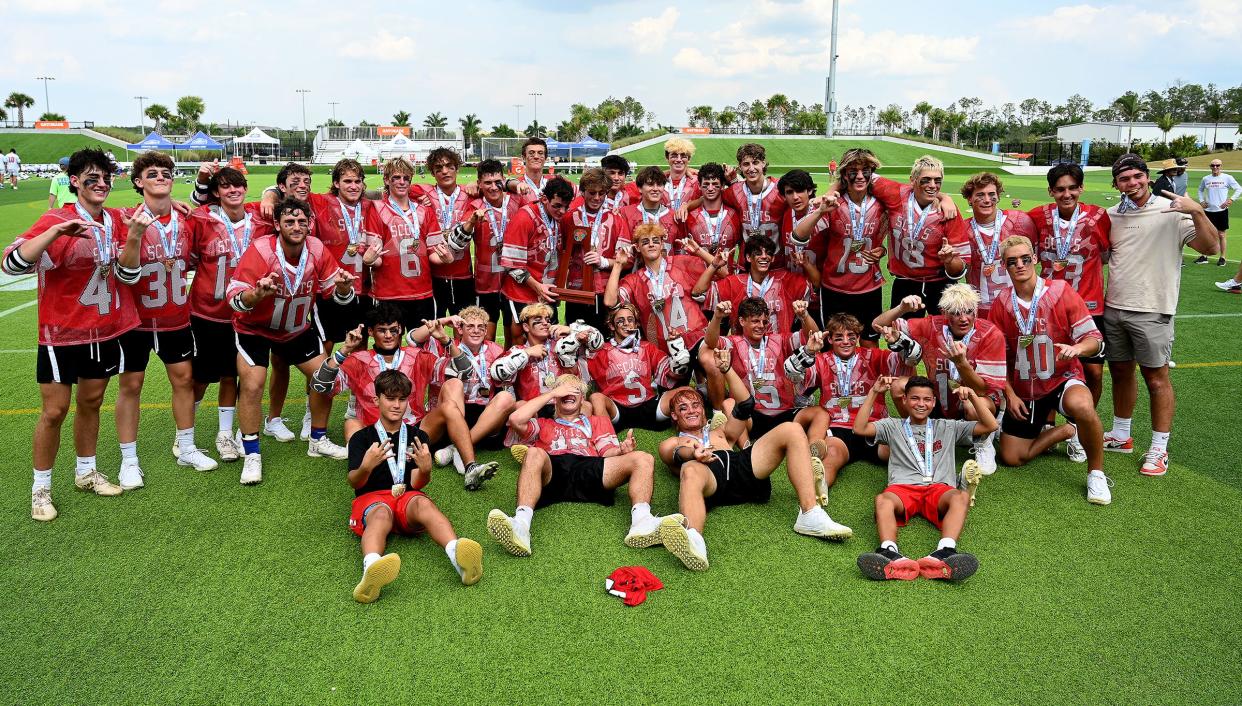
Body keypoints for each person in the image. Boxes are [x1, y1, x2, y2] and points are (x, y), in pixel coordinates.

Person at [3, 149, 142, 520]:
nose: (101, 184)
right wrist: (53, 232)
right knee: (54, 410)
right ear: (75, 181)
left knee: (92, 403)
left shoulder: (116, 219)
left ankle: (85, 471)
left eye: (106, 178)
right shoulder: (56, 218)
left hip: (102, 331)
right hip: (60, 333)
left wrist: (141, 231)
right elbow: (13, 263)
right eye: (92, 178)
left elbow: (129, 275)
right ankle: (41, 488)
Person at [658, 357, 853, 572]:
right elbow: (675, 454)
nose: (692, 410)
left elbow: (745, 404)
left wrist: (728, 369)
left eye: (696, 405)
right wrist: (693, 453)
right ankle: (694, 540)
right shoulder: (673, 442)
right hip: (709, 478)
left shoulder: (721, 432)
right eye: (683, 408)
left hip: (741, 469)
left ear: (703, 410)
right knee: (690, 468)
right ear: (674, 415)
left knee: (792, 429)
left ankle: (810, 514)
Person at [226, 197, 357, 485]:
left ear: (309, 223)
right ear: (277, 225)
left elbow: (335, 295)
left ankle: (318, 439)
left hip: (296, 328)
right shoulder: (261, 251)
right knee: (252, 383)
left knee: (327, 378)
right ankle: (251, 454)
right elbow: (234, 299)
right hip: (255, 328)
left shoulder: (317, 249)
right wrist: (255, 295)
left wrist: (345, 289)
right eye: (289, 221)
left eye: (301, 221)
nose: (296, 226)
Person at [1102, 154, 1218, 476]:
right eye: (1124, 179)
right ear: (1116, 184)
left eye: (1137, 176)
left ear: (1147, 177)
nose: (1132, 183)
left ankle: (1158, 448)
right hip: (1114, 307)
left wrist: (1196, 210)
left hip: (1153, 310)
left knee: (1156, 379)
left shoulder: (1174, 211)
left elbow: (1210, 249)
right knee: (1121, 373)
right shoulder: (1112, 215)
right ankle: (1122, 435)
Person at [114, 151, 219, 489]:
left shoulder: (185, 218)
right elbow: (123, 271)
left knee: (184, 380)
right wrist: (134, 235)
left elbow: (205, 204)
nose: (160, 177)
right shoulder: (125, 218)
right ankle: (129, 461)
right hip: (136, 319)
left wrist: (178, 202)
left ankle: (186, 446)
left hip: (175, 315)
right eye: (152, 173)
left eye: (166, 173)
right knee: (131, 386)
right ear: (138, 182)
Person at [313, 303, 500, 490]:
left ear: (401, 330)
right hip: (375, 436)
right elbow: (320, 386)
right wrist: (344, 351)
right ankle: (371, 467)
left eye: (393, 330)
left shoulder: (417, 356)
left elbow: (465, 372)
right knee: (351, 423)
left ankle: (471, 468)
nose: (388, 335)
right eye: (382, 330)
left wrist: (446, 340)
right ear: (370, 332)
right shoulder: (358, 360)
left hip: (414, 433)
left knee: (449, 406)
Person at [486, 375, 672, 557]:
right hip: (554, 470)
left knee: (644, 458)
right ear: (556, 397)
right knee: (533, 453)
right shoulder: (543, 423)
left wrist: (622, 450)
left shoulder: (596, 421)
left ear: (582, 398)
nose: (568, 393)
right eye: (562, 390)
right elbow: (516, 419)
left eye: (574, 390)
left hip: (589, 467)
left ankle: (642, 522)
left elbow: (607, 453)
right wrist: (552, 394)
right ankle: (521, 526)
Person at [987, 235, 1111, 503]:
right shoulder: (1001, 303)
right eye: (1012, 262)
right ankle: (1065, 431)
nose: (1019, 265)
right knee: (1011, 457)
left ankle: (1096, 474)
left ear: (1034, 259)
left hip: (1060, 379)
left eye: (1024, 259)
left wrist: (1077, 349)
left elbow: (1093, 339)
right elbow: (996, 358)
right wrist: (1010, 395)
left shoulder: (1060, 291)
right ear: (1004, 266)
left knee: (1083, 407)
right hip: (1024, 390)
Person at [346, 369, 484, 603]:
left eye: (402, 399)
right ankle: (372, 569)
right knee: (380, 515)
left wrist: (426, 469)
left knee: (423, 502)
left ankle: (457, 556)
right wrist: (366, 466)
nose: (397, 405)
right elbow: (355, 482)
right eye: (390, 398)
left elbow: (416, 483)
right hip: (373, 498)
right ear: (376, 399)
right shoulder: (362, 438)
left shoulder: (417, 436)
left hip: (407, 496)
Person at [852, 375, 995, 582]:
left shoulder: (948, 426)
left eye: (927, 399)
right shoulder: (892, 426)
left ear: (934, 402)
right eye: (915, 398)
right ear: (904, 400)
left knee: (961, 497)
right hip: (903, 488)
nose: (921, 404)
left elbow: (990, 426)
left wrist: (973, 396)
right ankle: (889, 552)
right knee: (882, 500)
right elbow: (859, 428)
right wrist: (874, 392)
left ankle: (945, 552)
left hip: (938, 488)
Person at [872, 285, 1007, 474]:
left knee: (971, 404)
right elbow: (878, 325)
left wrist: (961, 364)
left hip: (975, 400)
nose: (964, 318)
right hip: (940, 398)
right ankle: (918, 434)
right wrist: (901, 308)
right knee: (899, 386)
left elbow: (984, 390)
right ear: (945, 313)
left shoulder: (990, 334)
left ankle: (983, 442)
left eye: (969, 311)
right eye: (956, 312)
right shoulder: (932, 325)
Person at [785, 313, 917, 496]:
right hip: (840, 429)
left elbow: (912, 359)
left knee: (906, 451)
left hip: (874, 426)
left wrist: (899, 342)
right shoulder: (822, 360)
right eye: (839, 338)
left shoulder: (873, 356)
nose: (846, 342)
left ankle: (920, 485)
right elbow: (792, 375)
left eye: (851, 337)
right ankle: (818, 489)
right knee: (830, 456)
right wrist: (808, 351)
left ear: (857, 338)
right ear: (829, 339)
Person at [185, 166, 255, 462]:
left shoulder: (259, 218)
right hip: (207, 312)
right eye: (226, 186)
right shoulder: (201, 219)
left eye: (238, 185)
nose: (233, 190)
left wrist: (269, 195)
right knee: (200, 377)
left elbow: (282, 199)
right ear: (216, 193)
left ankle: (225, 434)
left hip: (244, 314)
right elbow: (187, 256)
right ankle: (183, 436)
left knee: (231, 376)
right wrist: (200, 184)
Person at [1027, 162, 1110, 403]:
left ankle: (1081, 425)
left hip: (1089, 305)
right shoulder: (1037, 216)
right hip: (1049, 306)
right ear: (1050, 191)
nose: (1067, 194)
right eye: (1060, 189)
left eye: (1073, 188)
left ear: (1082, 188)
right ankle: (1049, 423)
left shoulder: (1098, 216)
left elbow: (1105, 255)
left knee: (1093, 371)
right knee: (1049, 368)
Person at [792, 149, 887, 340]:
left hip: (869, 287)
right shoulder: (832, 203)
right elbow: (797, 237)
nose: (860, 176)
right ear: (844, 174)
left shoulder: (883, 204)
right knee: (831, 344)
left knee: (869, 345)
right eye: (853, 171)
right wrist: (819, 212)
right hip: (835, 288)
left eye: (865, 171)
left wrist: (882, 250)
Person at [705, 297, 824, 443]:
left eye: (765, 322)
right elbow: (711, 342)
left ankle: (814, 447)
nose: (761, 326)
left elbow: (812, 335)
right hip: (753, 416)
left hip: (784, 413)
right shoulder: (734, 343)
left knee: (820, 413)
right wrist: (717, 317)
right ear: (742, 321)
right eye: (755, 321)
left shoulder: (779, 340)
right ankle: (746, 447)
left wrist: (804, 315)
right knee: (729, 403)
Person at [868, 155, 964, 315]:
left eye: (937, 180)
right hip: (905, 282)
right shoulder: (896, 193)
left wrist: (950, 260)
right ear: (912, 180)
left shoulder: (949, 212)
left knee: (945, 337)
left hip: (941, 284)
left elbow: (959, 269)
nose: (933, 185)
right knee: (901, 337)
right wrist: (830, 191)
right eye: (926, 180)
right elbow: (855, 172)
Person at [369, 156, 447, 333]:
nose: (402, 182)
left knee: (422, 349)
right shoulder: (377, 209)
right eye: (396, 177)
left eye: (406, 178)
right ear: (386, 180)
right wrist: (369, 260)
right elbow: (376, 257)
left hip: (422, 292)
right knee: (388, 347)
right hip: (389, 292)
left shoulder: (424, 211)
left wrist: (445, 259)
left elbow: (434, 254)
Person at [587, 303, 688, 433]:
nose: (626, 324)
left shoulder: (647, 348)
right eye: (620, 321)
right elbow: (579, 374)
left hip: (648, 405)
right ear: (612, 326)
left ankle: (692, 437)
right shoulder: (602, 351)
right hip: (616, 408)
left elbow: (673, 376)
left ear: (636, 324)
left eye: (630, 320)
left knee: (687, 392)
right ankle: (607, 445)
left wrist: (678, 356)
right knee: (596, 398)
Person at [498, 177, 575, 342]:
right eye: (557, 206)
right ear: (544, 198)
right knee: (518, 341)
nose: (562, 211)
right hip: (521, 293)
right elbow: (512, 266)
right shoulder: (524, 218)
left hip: (547, 293)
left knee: (547, 343)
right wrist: (538, 287)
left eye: (565, 207)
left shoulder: (560, 218)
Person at [955, 172, 1037, 317]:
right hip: (980, 308)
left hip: (1017, 305)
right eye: (980, 195)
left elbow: (1035, 258)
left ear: (998, 196)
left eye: (991, 194)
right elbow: (957, 271)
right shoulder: (962, 230)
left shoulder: (1020, 221)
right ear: (969, 199)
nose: (987, 200)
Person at [697, 236, 814, 337]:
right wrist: (714, 265)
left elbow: (817, 287)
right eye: (758, 253)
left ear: (773, 258)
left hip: (779, 348)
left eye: (768, 253)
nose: (764, 256)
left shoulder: (787, 281)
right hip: (743, 350)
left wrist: (807, 265)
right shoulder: (733, 283)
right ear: (748, 258)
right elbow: (698, 294)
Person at [458, 159, 520, 340]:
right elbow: (459, 241)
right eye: (487, 183)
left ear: (504, 180)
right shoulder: (473, 206)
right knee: (484, 340)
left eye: (497, 182)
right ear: (479, 184)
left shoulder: (517, 202)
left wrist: (513, 184)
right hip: (486, 285)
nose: (493, 187)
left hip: (514, 283)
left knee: (515, 338)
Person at [489, 302, 598, 405]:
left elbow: (597, 342)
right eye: (538, 320)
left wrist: (572, 330)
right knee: (519, 406)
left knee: (587, 406)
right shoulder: (518, 350)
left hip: (562, 406)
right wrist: (527, 353)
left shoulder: (562, 344)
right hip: (533, 409)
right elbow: (497, 373)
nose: (545, 323)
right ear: (526, 327)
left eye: (547, 320)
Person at [560, 167, 627, 332]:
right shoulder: (569, 218)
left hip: (605, 292)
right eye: (592, 192)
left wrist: (603, 261)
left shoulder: (616, 219)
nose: (597, 198)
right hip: (576, 292)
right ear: (582, 191)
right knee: (574, 341)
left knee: (604, 344)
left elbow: (627, 261)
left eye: (601, 193)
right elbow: (561, 252)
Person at [424, 147, 477, 317]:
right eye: (438, 168)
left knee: (464, 329)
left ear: (457, 168)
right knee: (432, 329)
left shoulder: (471, 193)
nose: (445, 171)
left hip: (463, 276)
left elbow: (498, 185)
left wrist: (476, 183)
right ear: (432, 173)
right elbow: (396, 190)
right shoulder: (423, 192)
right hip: (434, 277)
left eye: (449, 166)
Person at [723, 143, 788, 269]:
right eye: (746, 164)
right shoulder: (733, 191)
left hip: (776, 264)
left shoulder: (781, 189)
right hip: (746, 264)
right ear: (740, 167)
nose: (751, 168)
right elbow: (710, 195)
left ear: (763, 163)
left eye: (755, 162)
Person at [683, 163, 741, 274]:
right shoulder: (689, 216)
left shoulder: (735, 215)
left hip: (727, 279)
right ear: (699, 186)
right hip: (698, 278)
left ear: (723, 185)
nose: (710, 188)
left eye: (715, 184)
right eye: (706, 184)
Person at [617, 166, 685, 246]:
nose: (655, 189)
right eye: (650, 185)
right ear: (639, 188)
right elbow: (623, 249)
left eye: (659, 185)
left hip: (666, 258)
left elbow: (679, 250)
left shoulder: (674, 216)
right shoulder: (626, 213)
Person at [1198, 158, 1239, 267]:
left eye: (1217, 165)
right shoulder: (1206, 178)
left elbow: (1239, 189)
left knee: (1221, 234)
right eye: (1213, 165)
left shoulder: (1227, 178)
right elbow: (1200, 190)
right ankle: (1204, 256)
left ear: (1221, 166)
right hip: (1208, 211)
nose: (1215, 167)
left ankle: (1222, 257)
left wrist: (1230, 200)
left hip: (1221, 211)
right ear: (1210, 166)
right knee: (1206, 234)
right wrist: (1201, 201)